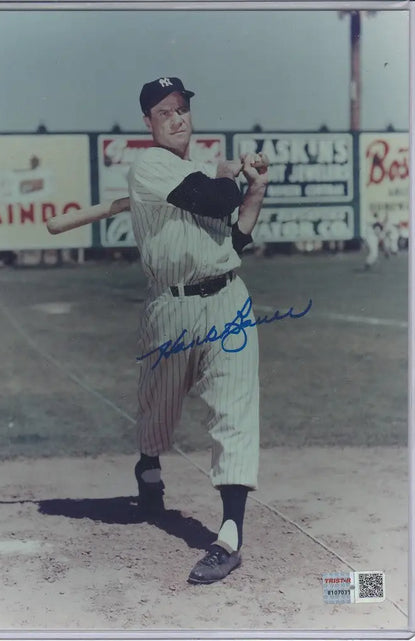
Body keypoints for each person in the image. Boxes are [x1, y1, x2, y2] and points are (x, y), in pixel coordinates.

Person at [127, 76, 268, 584]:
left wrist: (253, 190)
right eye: (164, 112)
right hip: (172, 306)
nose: (177, 118)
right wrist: (230, 177)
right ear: (149, 122)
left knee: (235, 411)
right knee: (158, 413)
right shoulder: (149, 166)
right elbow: (209, 199)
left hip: (228, 299)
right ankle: (148, 467)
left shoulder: (200, 170)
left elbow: (236, 238)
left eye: (182, 108)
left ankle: (229, 533)